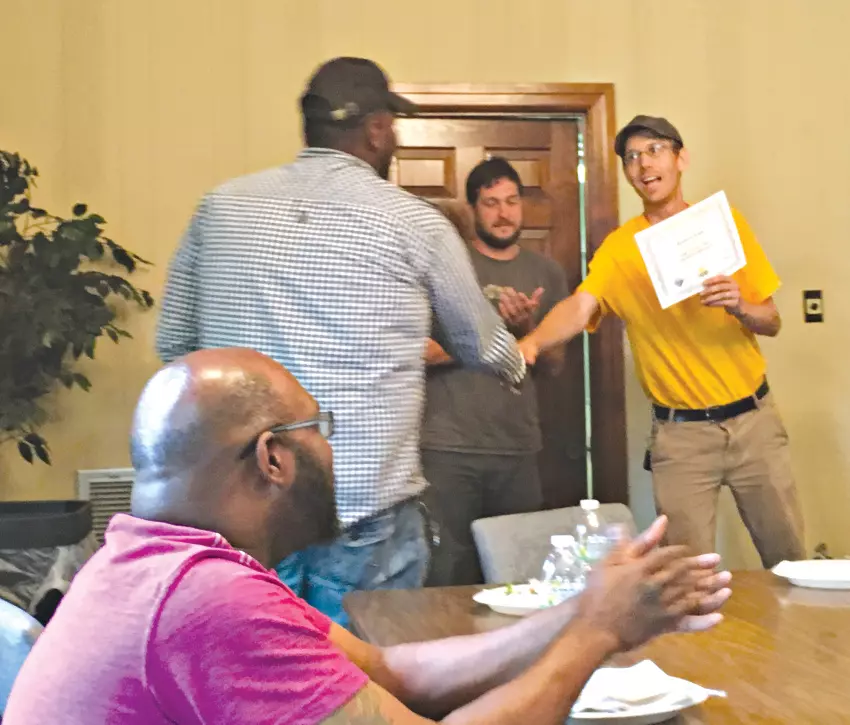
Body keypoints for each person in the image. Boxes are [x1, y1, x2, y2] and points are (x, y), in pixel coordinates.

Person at [4, 348, 731, 725]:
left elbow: (393, 671)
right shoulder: (202, 601)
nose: (332, 448)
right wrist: (597, 632)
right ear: (272, 457)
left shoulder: (159, 566)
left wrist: (580, 610)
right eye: (319, 427)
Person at [155, 57, 527, 626]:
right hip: (361, 512)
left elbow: (175, 343)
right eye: (391, 127)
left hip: (243, 510)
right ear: (376, 130)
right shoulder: (415, 222)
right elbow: (482, 346)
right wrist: (516, 358)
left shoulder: (221, 207)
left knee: (254, 672)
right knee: (364, 674)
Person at [519, 115, 805, 567]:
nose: (643, 165)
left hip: (755, 424)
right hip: (680, 438)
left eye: (654, 150)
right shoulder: (620, 249)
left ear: (680, 158)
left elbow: (771, 321)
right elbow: (581, 305)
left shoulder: (724, 225)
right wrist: (531, 343)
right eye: (631, 157)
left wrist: (739, 305)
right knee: (686, 576)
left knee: (790, 563)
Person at [422, 158, 569, 585]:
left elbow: (555, 366)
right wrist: (494, 330)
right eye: (491, 203)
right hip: (448, 449)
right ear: (473, 209)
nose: (504, 213)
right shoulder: (447, 267)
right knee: (447, 576)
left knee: (519, 577)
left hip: (516, 449)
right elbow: (418, 353)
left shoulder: (546, 273)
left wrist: (528, 332)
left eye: (511, 201)